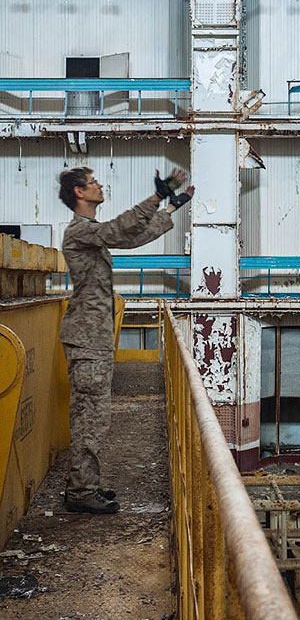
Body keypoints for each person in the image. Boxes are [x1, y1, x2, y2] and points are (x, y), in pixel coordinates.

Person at [57, 166, 194, 514]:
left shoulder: (91, 232)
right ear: (79, 192)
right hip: (87, 339)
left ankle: (85, 486)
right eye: (92, 183)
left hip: (92, 337)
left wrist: (171, 208)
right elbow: (119, 230)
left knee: (93, 417)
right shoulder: (79, 230)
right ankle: (81, 492)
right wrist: (156, 196)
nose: (100, 185)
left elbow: (131, 237)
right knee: (90, 417)